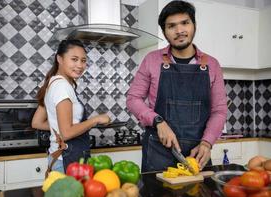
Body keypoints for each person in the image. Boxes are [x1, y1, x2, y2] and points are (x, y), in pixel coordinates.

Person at [126, 0, 227, 172]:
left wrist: (207, 142)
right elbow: (133, 99)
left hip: (198, 153)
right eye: (171, 26)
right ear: (164, 32)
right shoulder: (151, 59)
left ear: (194, 25)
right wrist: (158, 122)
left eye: (185, 23)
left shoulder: (212, 64)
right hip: (158, 150)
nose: (179, 31)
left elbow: (219, 110)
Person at [32, 39, 110, 173]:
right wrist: (95, 120)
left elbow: (37, 123)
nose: (80, 65)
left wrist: (59, 125)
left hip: (58, 158)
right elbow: (66, 133)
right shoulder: (62, 86)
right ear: (60, 59)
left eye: (83, 60)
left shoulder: (52, 83)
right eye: (74, 59)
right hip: (67, 160)